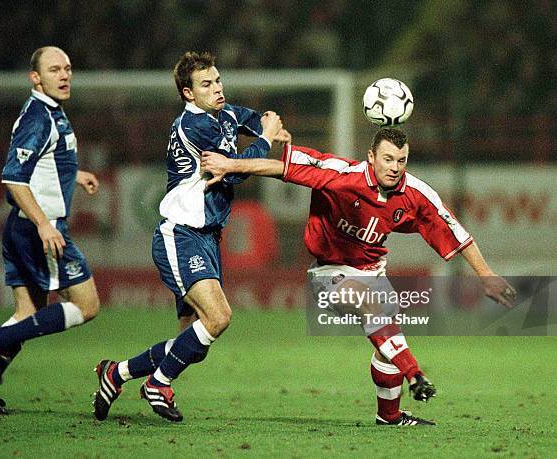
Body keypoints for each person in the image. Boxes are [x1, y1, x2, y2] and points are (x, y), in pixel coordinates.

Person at [200, 127, 517, 426]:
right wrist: (230, 164)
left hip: (374, 273)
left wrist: (486, 275)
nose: (395, 167)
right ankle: (416, 375)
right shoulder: (341, 175)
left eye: (401, 160)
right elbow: (278, 168)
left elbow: (456, 233)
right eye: (388, 159)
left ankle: (390, 417)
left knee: (388, 345)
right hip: (328, 271)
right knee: (371, 307)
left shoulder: (417, 195)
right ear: (371, 157)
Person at [92, 51, 289, 422]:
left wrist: (268, 126)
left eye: (218, 81)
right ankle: (157, 384)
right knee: (218, 318)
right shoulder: (196, 127)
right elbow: (231, 172)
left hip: (206, 238)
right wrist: (266, 136)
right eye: (206, 84)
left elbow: (246, 117)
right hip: (181, 234)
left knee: (193, 342)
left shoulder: (221, 112)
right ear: (187, 94)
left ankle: (115, 373)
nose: (217, 89)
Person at [0, 46, 101, 415]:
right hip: (40, 230)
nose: (64, 74)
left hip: (23, 229)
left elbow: (43, 166)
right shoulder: (38, 117)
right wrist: (43, 225)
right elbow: (13, 178)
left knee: (29, 313)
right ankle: (0, 337)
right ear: (35, 77)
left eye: (68, 68)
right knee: (87, 305)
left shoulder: (52, 112)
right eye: (54, 69)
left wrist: (76, 174)